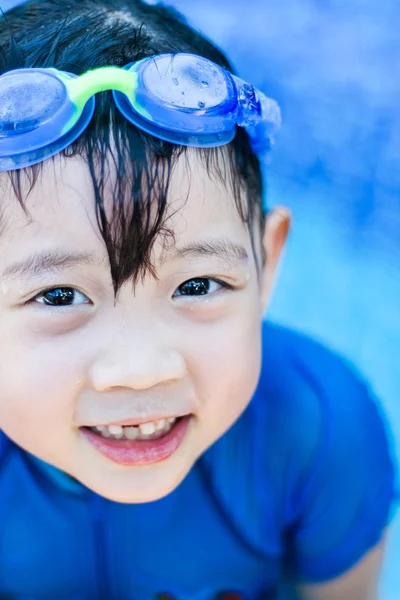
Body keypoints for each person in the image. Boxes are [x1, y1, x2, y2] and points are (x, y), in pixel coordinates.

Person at [0, 0, 397, 598]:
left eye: (197, 285)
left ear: (267, 262)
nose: (138, 372)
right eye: (59, 295)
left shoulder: (318, 433)